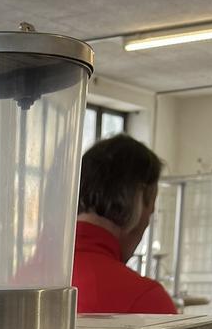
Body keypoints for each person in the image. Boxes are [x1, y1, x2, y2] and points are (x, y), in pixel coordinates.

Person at [72, 134, 177, 315]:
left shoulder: (27, 278)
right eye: (151, 212)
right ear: (139, 204)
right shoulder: (146, 301)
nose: (146, 224)